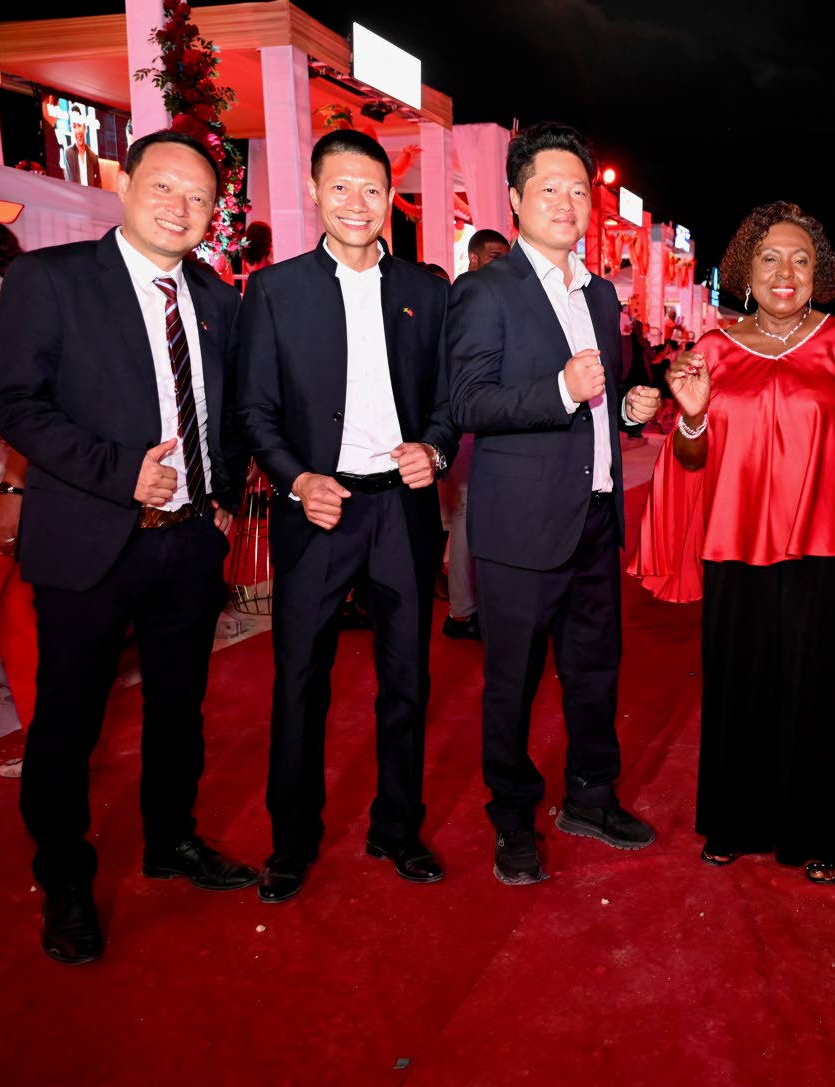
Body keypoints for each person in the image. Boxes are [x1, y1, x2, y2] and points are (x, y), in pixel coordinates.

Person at [0, 130, 257, 965]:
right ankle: (65, 879)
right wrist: (116, 471)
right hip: (88, 541)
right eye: (165, 186)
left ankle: (171, 839)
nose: (181, 207)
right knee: (68, 722)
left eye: (199, 197)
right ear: (126, 185)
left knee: (179, 711)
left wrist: (219, 504)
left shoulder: (216, 298)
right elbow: (13, 402)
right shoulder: (51, 279)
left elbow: (230, 411)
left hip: (188, 545)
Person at [629, 202, 835, 883]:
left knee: (822, 687)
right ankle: (735, 818)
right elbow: (691, 458)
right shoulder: (712, 349)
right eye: (769, 258)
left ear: (819, 271)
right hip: (735, 543)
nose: (785, 271)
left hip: (826, 544)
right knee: (741, 683)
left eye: (800, 259)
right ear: (745, 269)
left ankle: (821, 828)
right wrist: (692, 418)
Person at [238, 129, 458, 903]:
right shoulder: (274, 290)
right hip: (317, 509)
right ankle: (291, 840)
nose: (356, 203)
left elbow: (449, 399)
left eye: (371, 188)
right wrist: (298, 479)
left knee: (408, 678)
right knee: (299, 679)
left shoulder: (429, 291)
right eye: (340, 187)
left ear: (390, 195)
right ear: (313, 191)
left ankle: (398, 826)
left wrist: (435, 447)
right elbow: (253, 409)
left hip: (402, 508)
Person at [447, 122, 660, 885]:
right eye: (549, 188)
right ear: (514, 198)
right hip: (520, 529)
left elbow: (599, 399)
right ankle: (512, 817)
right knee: (513, 682)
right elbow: (469, 401)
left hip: (595, 517)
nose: (567, 203)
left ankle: (591, 797)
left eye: (578, 190)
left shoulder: (599, 293)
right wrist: (560, 391)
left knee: (596, 669)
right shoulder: (484, 290)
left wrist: (626, 410)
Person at [0, 215, 36, 779]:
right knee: (16, 622)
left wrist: (13, 489)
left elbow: (27, 405)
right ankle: (52, 749)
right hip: (1, 481)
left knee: (14, 618)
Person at [441, 229, 511, 641]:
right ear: (473, 258)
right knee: (467, 518)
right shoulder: (469, 291)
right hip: (467, 425)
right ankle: (463, 611)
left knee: (470, 518)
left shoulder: (486, 292)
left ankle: (468, 607)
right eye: (494, 256)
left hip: (477, 424)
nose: (503, 264)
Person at [62, 108, 101, 188]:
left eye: (79, 125)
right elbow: (70, 183)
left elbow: (98, 185)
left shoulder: (93, 157)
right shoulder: (68, 153)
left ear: (85, 127)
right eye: (74, 127)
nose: (78, 131)